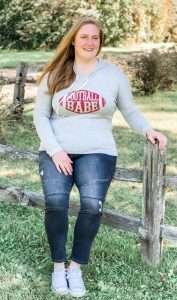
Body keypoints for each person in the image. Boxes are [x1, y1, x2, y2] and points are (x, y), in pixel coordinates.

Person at [33, 16, 167, 297]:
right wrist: (55, 150)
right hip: (58, 149)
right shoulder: (55, 74)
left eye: (95, 37)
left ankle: (76, 268)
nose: (90, 42)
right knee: (56, 203)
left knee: (92, 206)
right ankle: (59, 266)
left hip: (98, 151)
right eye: (84, 37)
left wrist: (148, 130)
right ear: (73, 40)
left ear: (100, 41)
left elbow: (129, 110)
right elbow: (41, 117)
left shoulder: (113, 75)